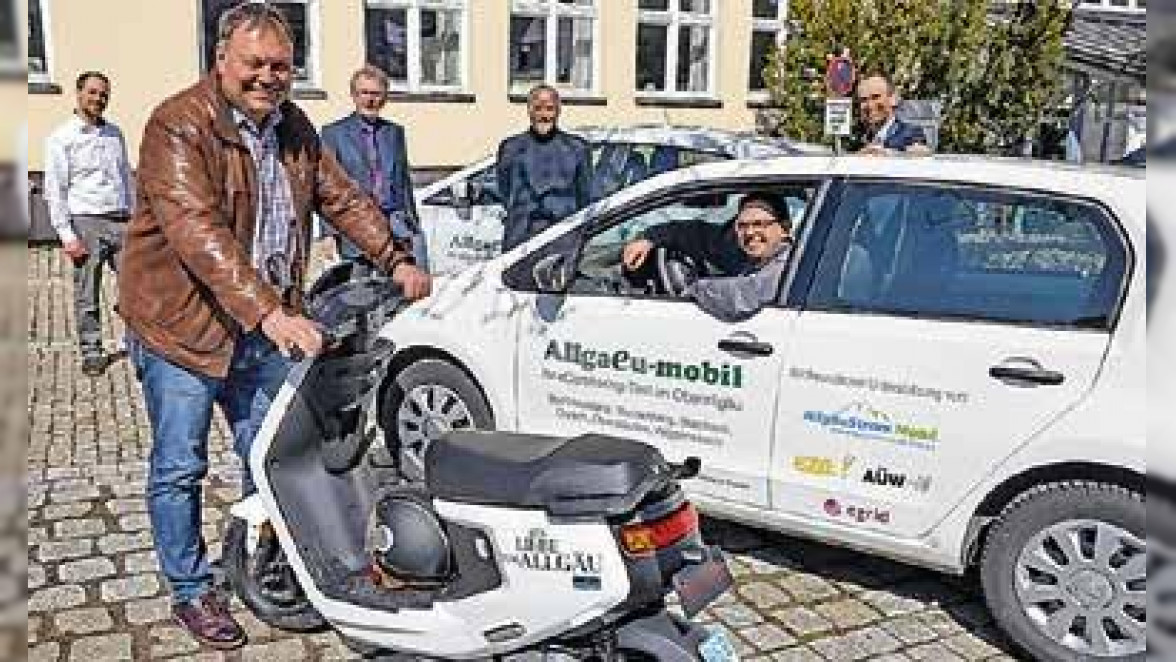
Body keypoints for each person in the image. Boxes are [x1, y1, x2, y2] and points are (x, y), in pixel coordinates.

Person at [117, 4, 430, 650]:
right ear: (221, 59)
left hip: (259, 330)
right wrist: (271, 312)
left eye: (281, 65)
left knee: (278, 454)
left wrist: (397, 259)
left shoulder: (293, 128)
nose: (268, 77)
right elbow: (199, 235)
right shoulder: (178, 125)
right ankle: (191, 589)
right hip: (183, 331)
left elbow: (341, 197)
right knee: (181, 466)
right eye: (254, 63)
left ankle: (276, 558)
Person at [43, 71, 136, 376]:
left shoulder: (115, 134)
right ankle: (92, 349)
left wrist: (134, 215)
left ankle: (138, 344)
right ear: (78, 93)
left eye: (104, 94)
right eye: (93, 93)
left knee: (136, 287)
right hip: (86, 221)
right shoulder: (62, 138)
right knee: (88, 291)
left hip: (121, 219)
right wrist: (66, 234)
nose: (99, 99)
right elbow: (54, 190)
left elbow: (125, 177)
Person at [621, 193, 794, 322]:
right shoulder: (750, 256)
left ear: (784, 229)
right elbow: (698, 235)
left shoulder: (790, 264)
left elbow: (744, 295)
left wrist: (693, 287)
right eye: (742, 226)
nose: (749, 232)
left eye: (759, 224)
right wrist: (650, 238)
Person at [320, 65, 426, 269]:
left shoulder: (394, 133)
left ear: (384, 98)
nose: (370, 99)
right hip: (357, 225)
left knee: (401, 289)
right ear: (354, 95)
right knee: (361, 292)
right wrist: (328, 234)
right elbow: (326, 186)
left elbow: (403, 182)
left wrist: (413, 223)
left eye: (376, 94)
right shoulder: (333, 134)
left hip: (395, 225)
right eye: (364, 93)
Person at [496, 84, 592, 252]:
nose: (544, 115)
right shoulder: (511, 148)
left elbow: (584, 195)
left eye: (549, 109)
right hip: (520, 239)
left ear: (558, 111)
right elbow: (504, 191)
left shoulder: (577, 148)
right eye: (538, 108)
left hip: (564, 238)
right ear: (529, 111)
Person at [855, 74, 931, 155]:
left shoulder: (911, 133)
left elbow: (919, 155)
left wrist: (889, 154)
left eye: (876, 97)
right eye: (863, 100)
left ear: (893, 99)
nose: (869, 105)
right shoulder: (860, 138)